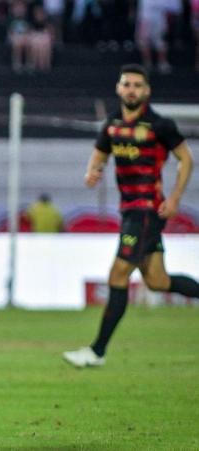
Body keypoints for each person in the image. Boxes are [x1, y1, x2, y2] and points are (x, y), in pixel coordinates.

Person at [63, 64, 199, 368]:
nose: (132, 90)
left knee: (118, 275)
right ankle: (96, 352)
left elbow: (186, 159)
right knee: (157, 281)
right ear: (118, 88)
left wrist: (176, 197)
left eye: (138, 85)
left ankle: (96, 351)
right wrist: (93, 171)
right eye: (127, 84)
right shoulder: (112, 124)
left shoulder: (159, 125)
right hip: (129, 210)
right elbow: (100, 152)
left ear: (147, 91)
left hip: (147, 210)